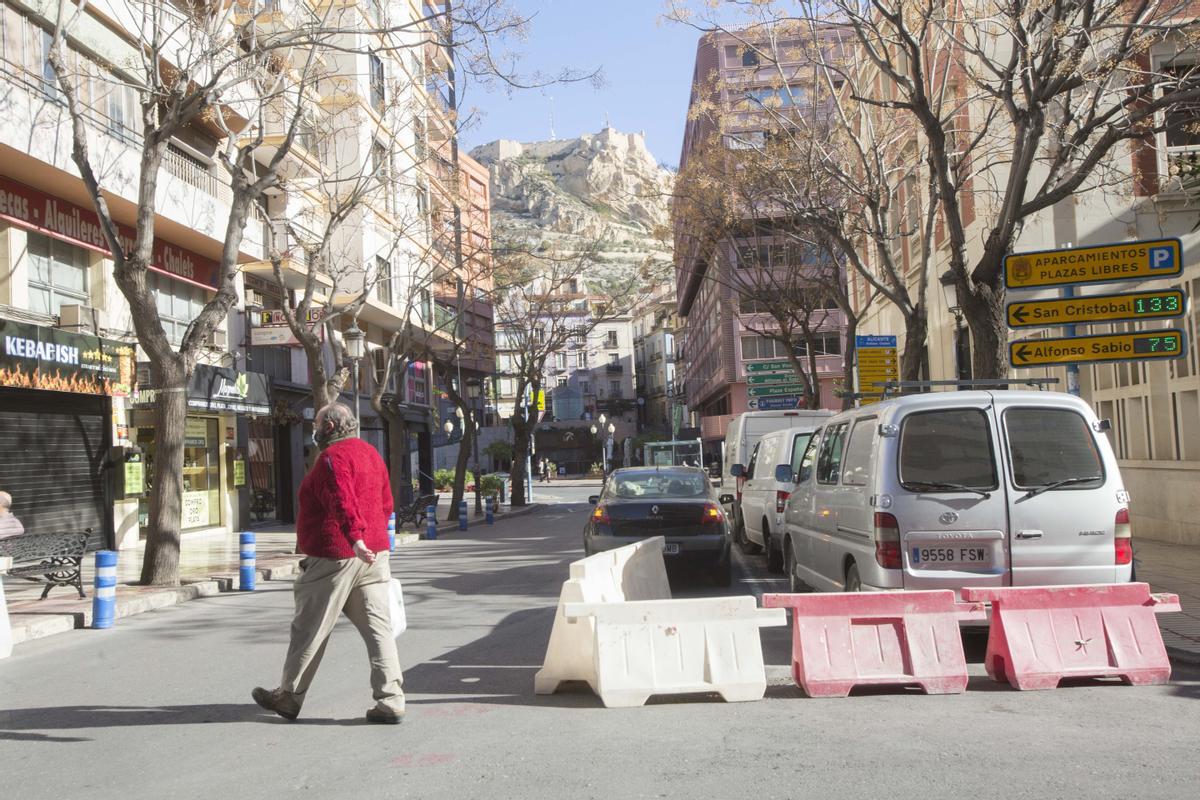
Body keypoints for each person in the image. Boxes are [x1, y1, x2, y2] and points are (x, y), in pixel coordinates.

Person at [253, 403, 404, 724]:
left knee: (309, 628)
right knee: (379, 629)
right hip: (375, 556)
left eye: (317, 423)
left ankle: (290, 696)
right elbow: (387, 504)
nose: (314, 429)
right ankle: (391, 699)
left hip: (336, 556)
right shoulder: (371, 454)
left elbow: (341, 498)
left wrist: (355, 538)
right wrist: (370, 541)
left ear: (331, 427)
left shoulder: (331, 459)